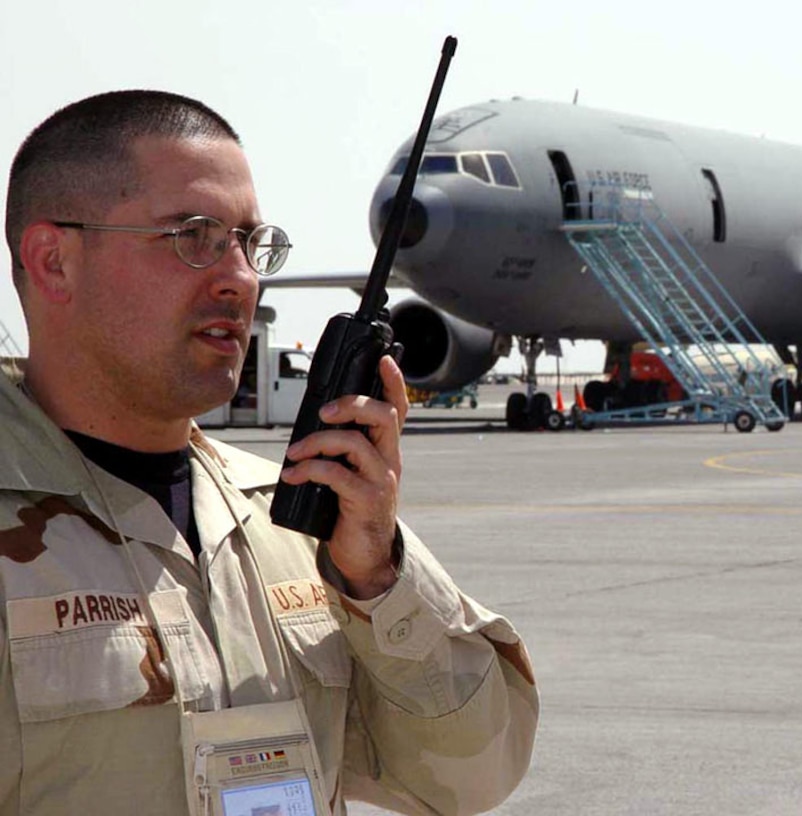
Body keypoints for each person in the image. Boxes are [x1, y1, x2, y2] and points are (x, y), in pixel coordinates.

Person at [0, 90, 538, 816]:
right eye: (193, 236)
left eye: (251, 244)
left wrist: (378, 580)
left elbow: (471, 776)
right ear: (54, 260)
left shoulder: (300, 522)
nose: (241, 278)